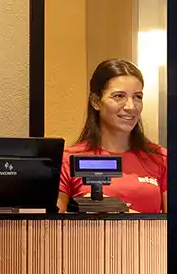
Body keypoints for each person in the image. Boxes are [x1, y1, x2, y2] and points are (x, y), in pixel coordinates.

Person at [59, 57, 167, 215]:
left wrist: (121, 215)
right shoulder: (67, 159)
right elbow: (52, 224)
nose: (131, 106)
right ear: (96, 102)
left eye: (137, 97)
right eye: (119, 96)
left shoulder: (160, 158)